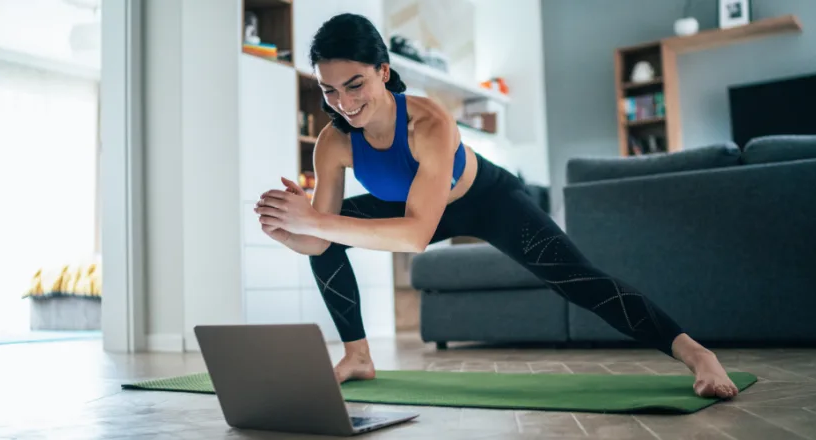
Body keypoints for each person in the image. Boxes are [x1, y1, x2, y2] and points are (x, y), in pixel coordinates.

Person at [254, 13, 738, 399]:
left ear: (383, 71)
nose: (341, 102)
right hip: (411, 209)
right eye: (328, 90)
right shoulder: (332, 143)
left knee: (578, 279)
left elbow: (416, 235)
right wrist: (294, 231)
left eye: (354, 84)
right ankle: (358, 356)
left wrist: (317, 221)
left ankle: (698, 356)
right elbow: (322, 238)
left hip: (486, 200)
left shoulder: (429, 123)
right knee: (326, 245)